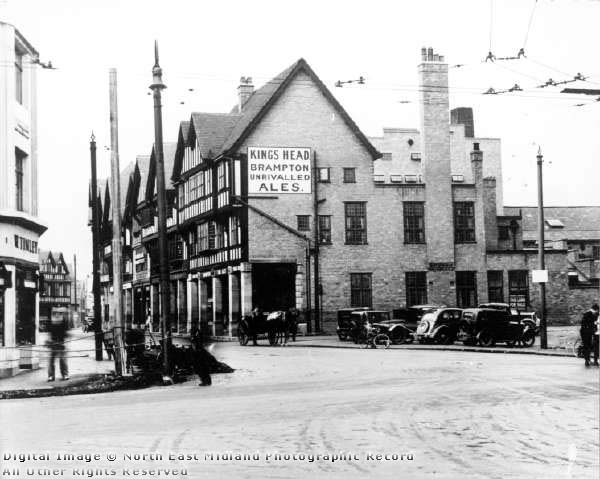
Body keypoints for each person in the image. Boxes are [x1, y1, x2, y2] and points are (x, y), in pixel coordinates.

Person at [47, 312, 69, 381]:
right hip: (54, 342)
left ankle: (64, 374)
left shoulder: (63, 321)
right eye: (55, 313)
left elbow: (65, 332)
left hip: (60, 342)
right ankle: (52, 375)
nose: (57, 315)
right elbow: (49, 331)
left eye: (58, 313)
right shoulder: (52, 321)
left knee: (62, 360)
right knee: (52, 360)